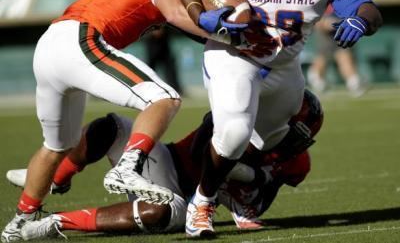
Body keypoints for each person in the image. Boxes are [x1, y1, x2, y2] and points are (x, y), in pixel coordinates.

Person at [1, 0, 238, 243]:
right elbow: (173, 11)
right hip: (80, 38)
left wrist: (216, 32)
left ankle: (18, 224)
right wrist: (230, 34)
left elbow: (177, 18)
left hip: (55, 44)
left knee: (56, 147)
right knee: (163, 98)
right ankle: (128, 164)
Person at [173, 0, 383, 237]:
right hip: (233, 53)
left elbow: (362, 5)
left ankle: (238, 188)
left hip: (284, 63)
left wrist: (361, 19)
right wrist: (197, 12)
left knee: (269, 145)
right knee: (236, 131)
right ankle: (203, 202)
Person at [7, 90, 323, 239]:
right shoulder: (237, 117)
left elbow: (260, 205)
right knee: (112, 126)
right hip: (170, 165)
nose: (294, 142)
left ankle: (56, 222)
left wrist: (259, 185)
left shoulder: (297, 162)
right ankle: (50, 180)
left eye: (300, 136)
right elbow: (204, 153)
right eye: (292, 131)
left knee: (160, 210)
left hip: (183, 201)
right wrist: (250, 173)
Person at [307, 10, 366, 97]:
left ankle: (354, 83)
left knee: (343, 54)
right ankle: (316, 80)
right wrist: (325, 23)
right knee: (323, 56)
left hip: (340, 27)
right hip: (325, 29)